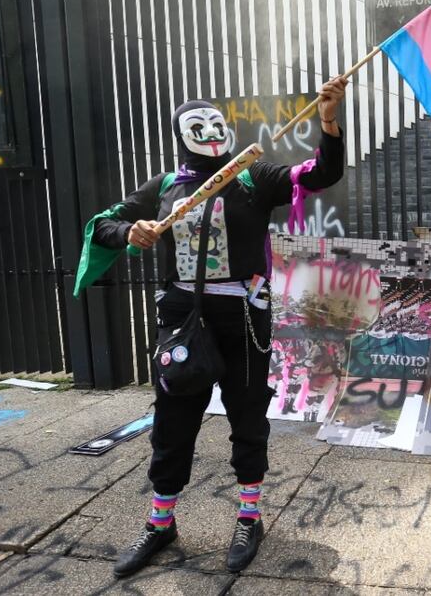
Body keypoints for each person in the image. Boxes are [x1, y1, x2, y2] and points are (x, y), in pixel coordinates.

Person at [77, 77, 347, 577]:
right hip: (182, 321)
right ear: (181, 133)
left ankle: (249, 516)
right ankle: (160, 522)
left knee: (248, 414)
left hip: (244, 318)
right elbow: (103, 225)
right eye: (197, 124)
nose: (210, 130)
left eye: (216, 122)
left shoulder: (251, 176)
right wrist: (131, 230)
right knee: (173, 418)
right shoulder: (163, 187)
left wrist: (328, 120)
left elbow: (319, 173)